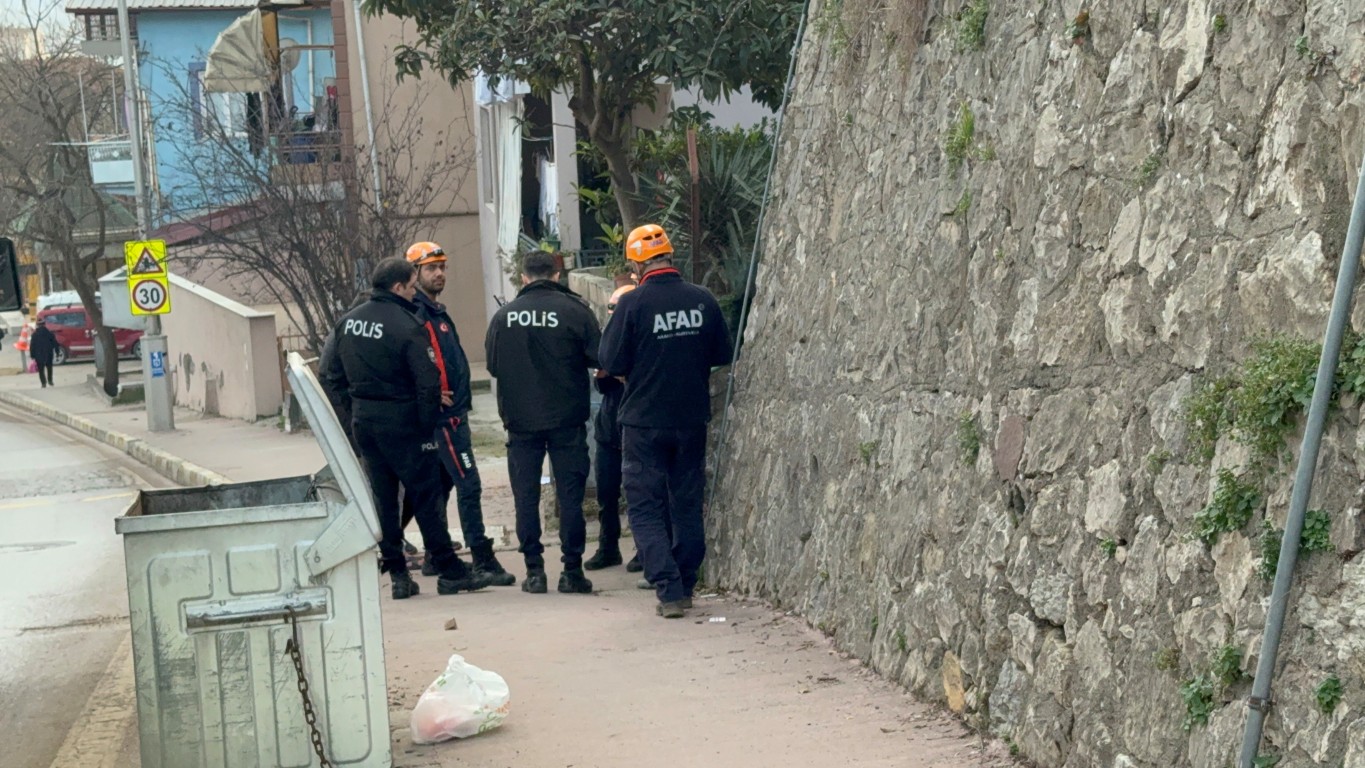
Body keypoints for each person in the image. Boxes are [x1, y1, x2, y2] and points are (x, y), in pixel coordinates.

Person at [320, 257, 491, 600]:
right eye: (412, 286)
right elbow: (428, 384)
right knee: (426, 497)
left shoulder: (348, 323)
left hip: (366, 425)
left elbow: (329, 376)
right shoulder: (407, 325)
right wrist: (425, 428)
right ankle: (449, 570)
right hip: (405, 425)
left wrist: (354, 414)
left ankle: (398, 574)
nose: (415, 293)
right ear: (398, 287)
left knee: (384, 499)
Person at [598, 224, 734, 619]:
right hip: (691, 419)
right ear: (670, 256)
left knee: (645, 508)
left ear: (637, 266)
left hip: (643, 423)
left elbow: (610, 360)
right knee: (687, 505)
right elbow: (722, 352)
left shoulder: (632, 304)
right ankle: (685, 583)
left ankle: (669, 589)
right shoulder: (702, 299)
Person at [484, 250, 602, 595]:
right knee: (570, 497)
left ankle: (534, 572)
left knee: (525, 497)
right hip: (567, 418)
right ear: (556, 275)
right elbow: (599, 357)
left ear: (523, 277)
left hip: (520, 421)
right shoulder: (575, 311)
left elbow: (493, 366)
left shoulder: (503, 317)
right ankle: (572, 570)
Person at [401, 241, 515, 586]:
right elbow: (416, 361)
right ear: (414, 273)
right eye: (431, 268)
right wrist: (431, 395)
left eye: (442, 267)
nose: (439, 273)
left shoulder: (434, 311)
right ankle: (482, 557)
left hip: (452, 414)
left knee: (441, 487)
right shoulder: (418, 314)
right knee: (469, 484)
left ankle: (436, 556)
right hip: (445, 419)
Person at [29, 319, 57, 388]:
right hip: (48, 353)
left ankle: (43, 383)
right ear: (44, 324)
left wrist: (32, 355)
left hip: (38, 354)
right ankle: (50, 380)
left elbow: (32, 346)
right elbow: (55, 343)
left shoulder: (35, 335)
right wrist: (57, 351)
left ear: (37, 325)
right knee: (49, 367)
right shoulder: (49, 333)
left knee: (41, 369)